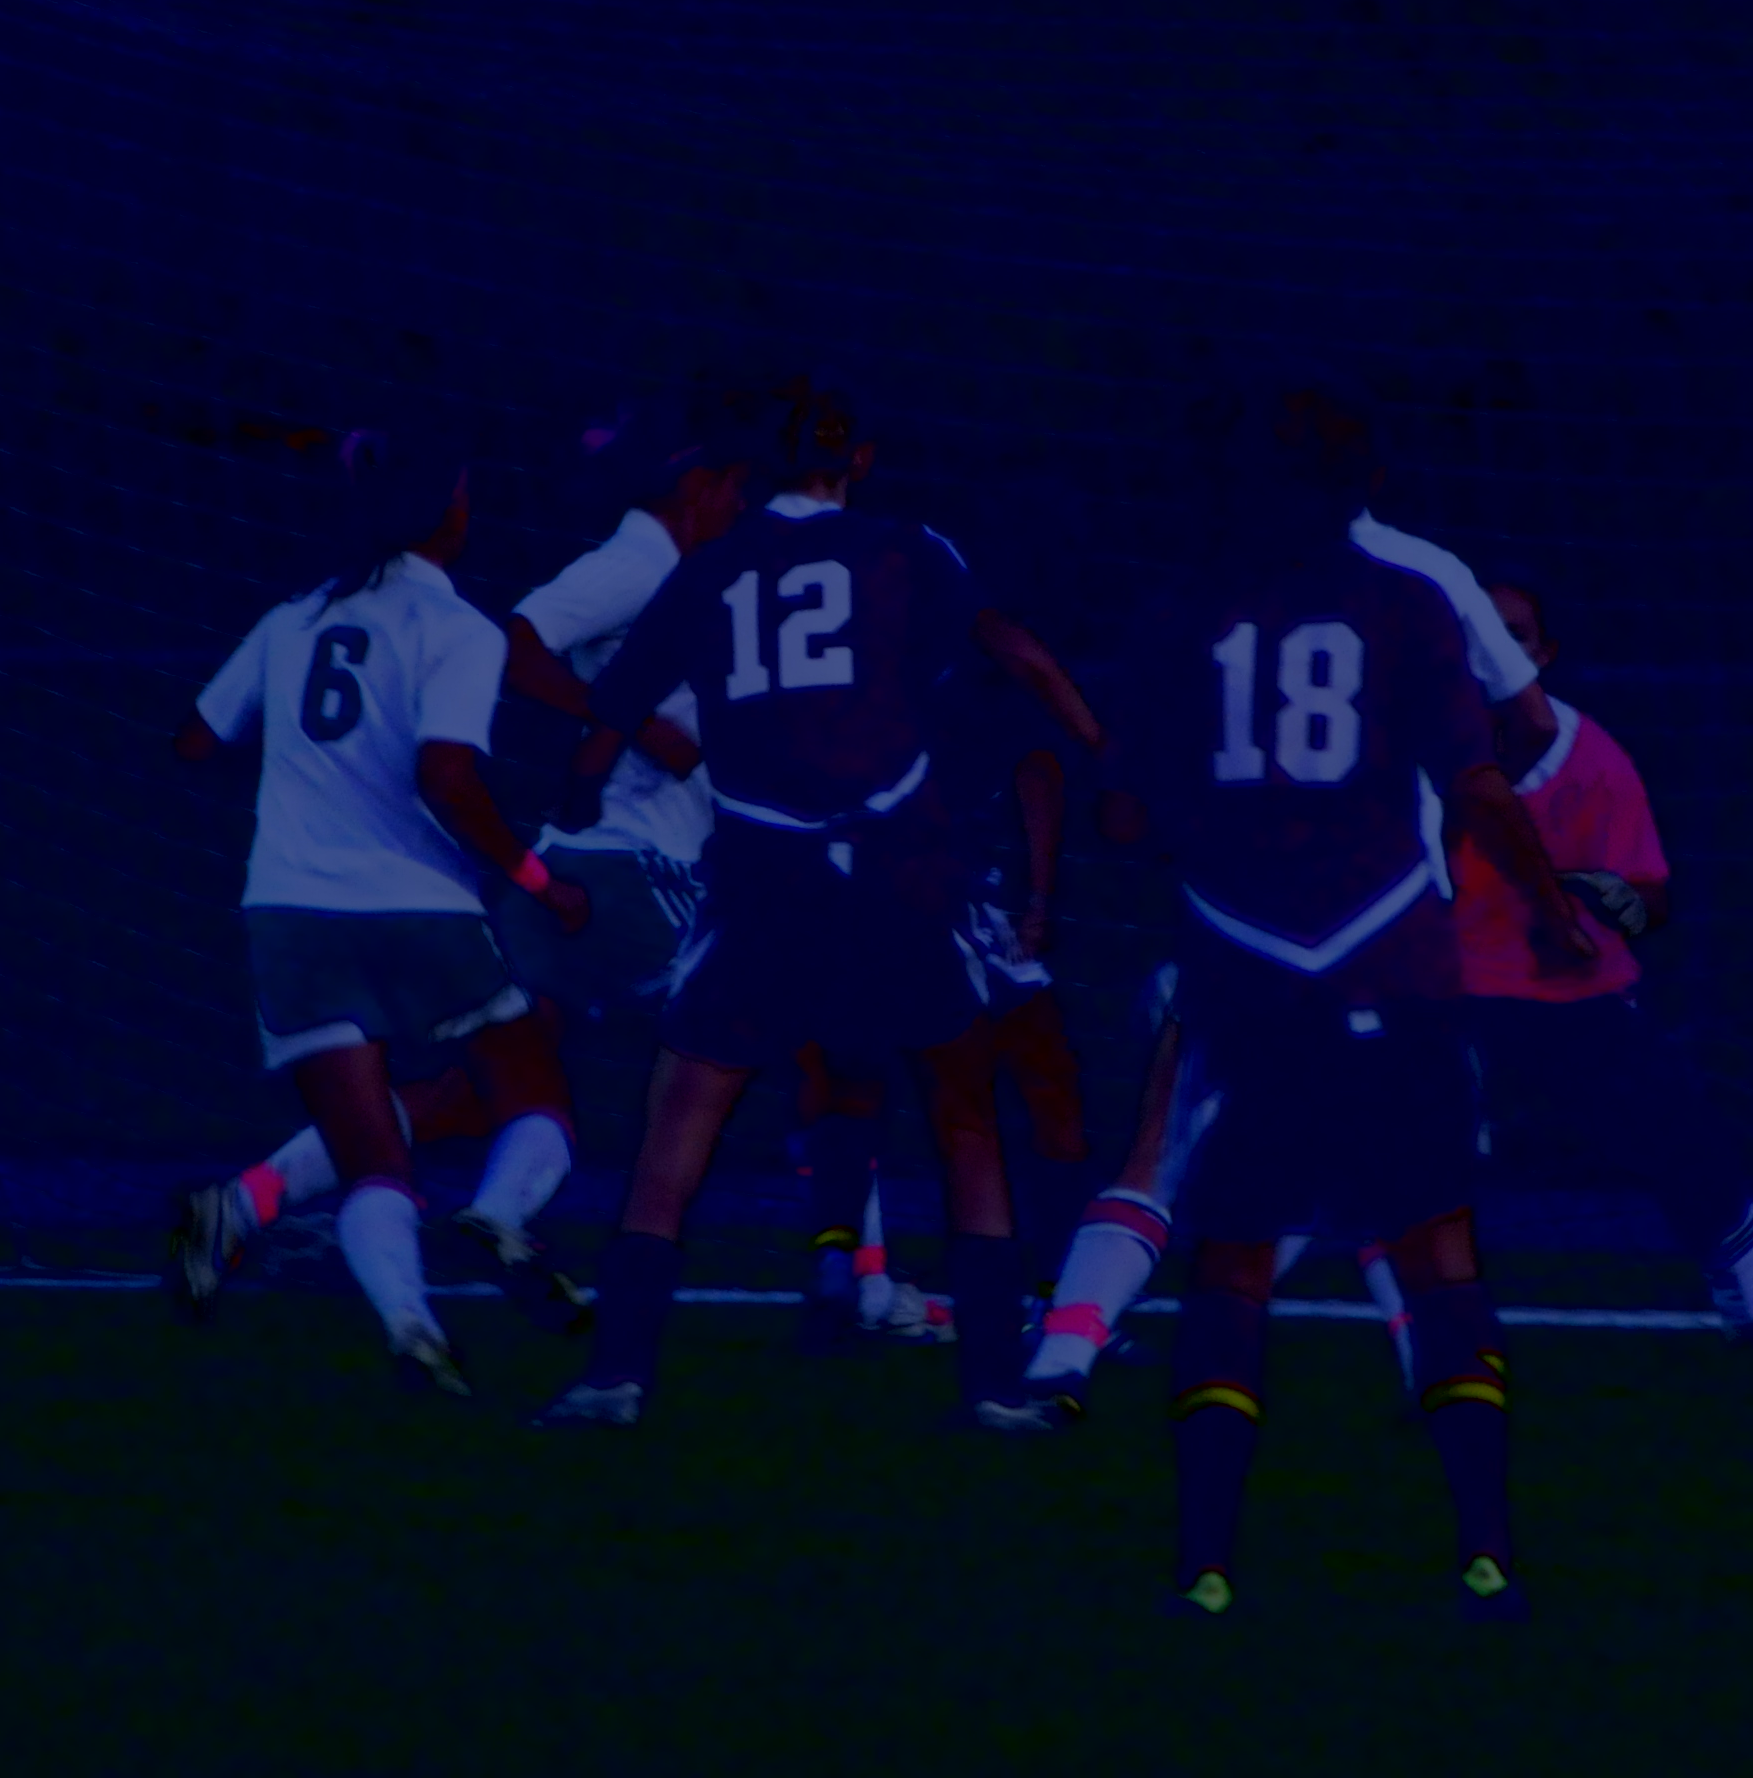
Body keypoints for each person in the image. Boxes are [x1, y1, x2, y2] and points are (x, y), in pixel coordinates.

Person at [1097, 388, 1593, 1621]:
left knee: (1231, 1261)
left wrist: (1212, 840)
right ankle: (1485, 1552)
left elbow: (1123, 809)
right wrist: (1548, 910)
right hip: (1391, 963)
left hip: (1249, 973)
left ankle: (1204, 1565)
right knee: (1436, 1252)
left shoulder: (1177, 612)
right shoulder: (1405, 601)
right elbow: (1476, 780)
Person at [531, 376, 1093, 1428]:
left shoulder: (710, 568)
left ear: (754, 468)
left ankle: (615, 1375)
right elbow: (1004, 648)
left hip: (764, 872)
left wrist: (578, 792)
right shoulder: (907, 547)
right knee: (964, 1117)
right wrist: (1104, 748)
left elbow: (612, 708)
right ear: (859, 461)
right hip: (895, 863)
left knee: (681, 1116)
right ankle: (992, 1388)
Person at [168, 401, 738, 1333]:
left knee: (483, 1088)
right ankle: (861, 1281)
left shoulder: (302, 616)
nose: (741, 494)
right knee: (798, 1029)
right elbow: (516, 650)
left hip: (445, 885)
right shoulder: (638, 563)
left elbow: (197, 742)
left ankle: (249, 1203)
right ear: (694, 484)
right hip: (622, 872)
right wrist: (631, 725)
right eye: (729, 478)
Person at [168, 426, 594, 1395]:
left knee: (376, 1158)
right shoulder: (459, 629)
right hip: (416, 910)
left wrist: (297, 793)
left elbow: (194, 740)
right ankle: (499, 1217)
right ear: (448, 513)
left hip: (289, 909)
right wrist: (538, 882)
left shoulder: (292, 619)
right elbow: (446, 775)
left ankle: (409, 1324)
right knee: (532, 1093)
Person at [1461, 580, 1753, 1353]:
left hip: (1572, 999)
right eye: (1479, 635)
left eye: (1515, 636)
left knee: (1689, 1145)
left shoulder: (1592, 761)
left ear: (1544, 655)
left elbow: (1651, 897)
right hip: (1442, 995)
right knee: (1373, 1154)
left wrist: (1611, 905)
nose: (1494, 652)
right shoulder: (1405, 749)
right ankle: (1241, 1301)